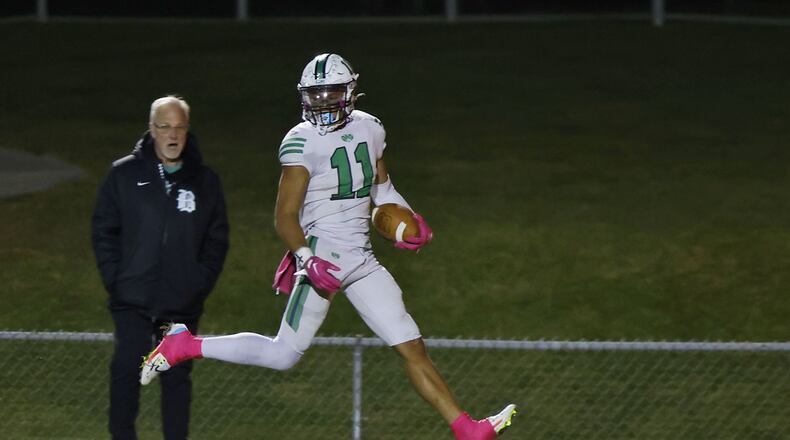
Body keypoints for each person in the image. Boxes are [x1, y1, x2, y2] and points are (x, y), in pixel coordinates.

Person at [139, 55, 516, 439]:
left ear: (349, 91)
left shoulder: (371, 127)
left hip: (362, 258)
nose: (321, 101)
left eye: (329, 92)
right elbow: (284, 216)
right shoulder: (300, 141)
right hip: (324, 256)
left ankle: (466, 428)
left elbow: (382, 191)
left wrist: (410, 220)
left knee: (411, 345)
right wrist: (305, 259)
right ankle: (184, 344)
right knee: (284, 354)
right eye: (314, 94)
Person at [91, 95, 229, 440]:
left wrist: (196, 283)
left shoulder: (205, 181)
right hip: (132, 298)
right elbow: (104, 230)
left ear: (187, 131)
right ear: (152, 129)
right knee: (125, 371)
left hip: (181, 302)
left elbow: (217, 241)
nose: (172, 135)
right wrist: (116, 279)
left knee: (176, 380)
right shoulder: (123, 174)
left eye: (179, 127)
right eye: (165, 126)